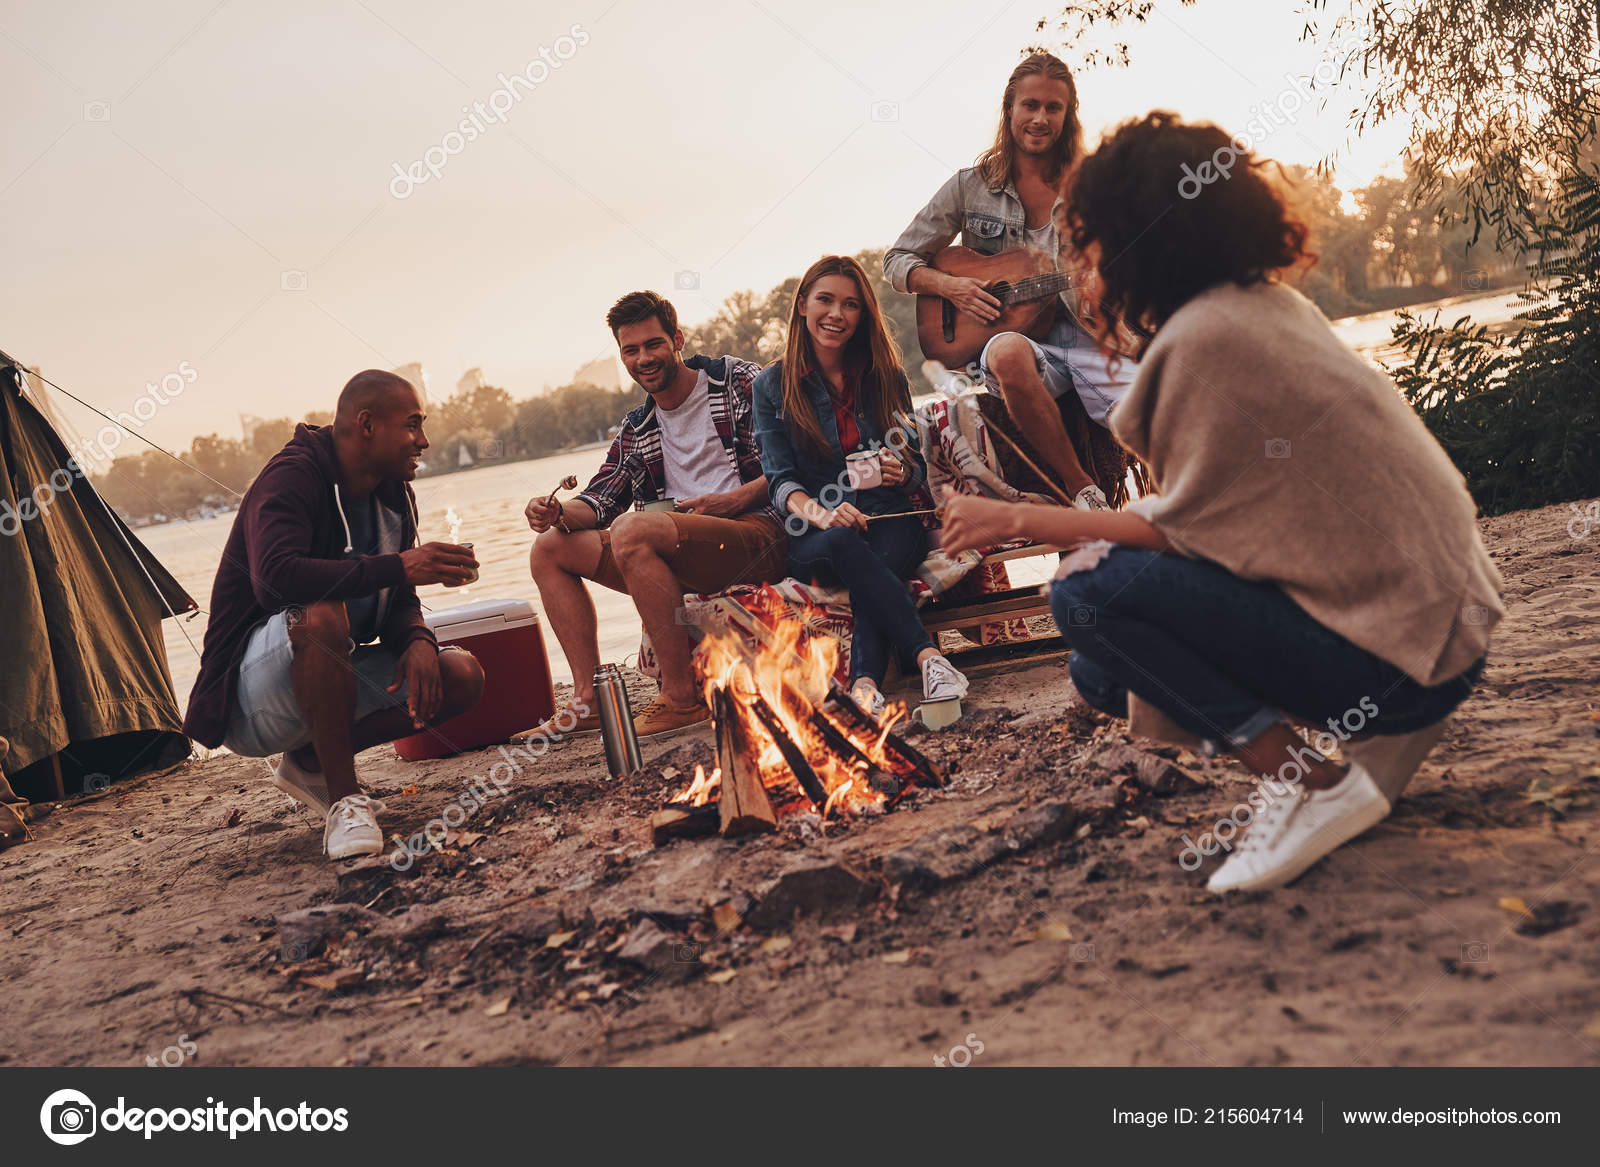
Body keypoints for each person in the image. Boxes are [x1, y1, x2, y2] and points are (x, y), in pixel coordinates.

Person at [939, 113, 1503, 893]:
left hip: (1410, 657)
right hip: (1438, 627)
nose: (1080, 268)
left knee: (1086, 594)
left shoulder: (1206, 341)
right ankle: (1301, 773)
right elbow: (1214, 520)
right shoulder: (1254, 306)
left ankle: (1310, 782)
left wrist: (1017, 521)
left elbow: (1183, 534)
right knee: (1103, 672)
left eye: (1089, 243)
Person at [184, 370, 486, 860]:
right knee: (321, 616)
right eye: (412, 425)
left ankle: (308, 761)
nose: (423, 440)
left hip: (325, 678)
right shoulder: (293, 477)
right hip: (249, 699)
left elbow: (396, 593)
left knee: (459, 674)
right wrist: (401, 564)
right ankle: (344, 800)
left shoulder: (395, 492)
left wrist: (415, 639)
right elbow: (274, 579)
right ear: (367, 424)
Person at [525, 291, 787, 738]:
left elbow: (793, 466)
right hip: (670, 547)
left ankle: (682, 699)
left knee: (632, 530)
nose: (643, 358)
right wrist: (556, 512)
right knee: (549, 549)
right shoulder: (637, 428)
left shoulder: (739, 381)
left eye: (653, 344)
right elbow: (600, 500)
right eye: (631, 350)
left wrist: (732, 501)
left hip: (754, 535)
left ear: (677, 339)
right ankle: (588, 701)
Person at [884, 51, 1134, 511]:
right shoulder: (970, 186)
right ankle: (1082, 489)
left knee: (1162, 411)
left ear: (1068, 115)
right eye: (1030, 105)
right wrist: (950, 286)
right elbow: (898, 259)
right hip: (1017, 343)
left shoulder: (1092, 186)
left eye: (1053, 108)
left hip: (1091, 335)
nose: (1040, 118)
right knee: (1005, 349)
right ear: (1010, 109)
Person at [753, 255, 968, 715]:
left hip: (889, 517)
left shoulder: (884, 373)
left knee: (877, 565)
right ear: (802, 307)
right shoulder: (771, 385)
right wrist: (824, 513)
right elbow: (779, 481)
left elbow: (913, 464)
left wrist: (899, 470)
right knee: (846, 544)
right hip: (816, 533)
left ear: (862, 315)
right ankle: (928, 657)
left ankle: (865, 688)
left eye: (850, 305)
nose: (836, 314)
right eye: (825, 300)